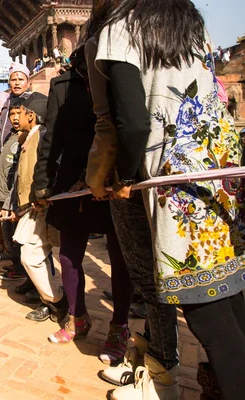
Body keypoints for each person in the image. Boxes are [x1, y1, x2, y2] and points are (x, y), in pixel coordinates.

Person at [88, 1, 245, 399]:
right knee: (233, 299)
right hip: (220, 168)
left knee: (207, 315)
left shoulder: (121, 26)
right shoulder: (188, 20)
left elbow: (132, 120)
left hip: (178, 182)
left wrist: (122, 177)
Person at [32, 46, 133, 364]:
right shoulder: (62, 85)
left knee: (120, 257)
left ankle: (120, 328)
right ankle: (78, 318)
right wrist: (41, 183)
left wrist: (120, 176)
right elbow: (52, 139)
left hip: (117, 182)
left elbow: (129, 130)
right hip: (73, 185)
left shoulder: (122, 75)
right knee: (68, 255)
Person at [3, 93, 68, 323]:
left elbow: (46, 170)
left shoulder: (40, 136)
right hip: (28, 207)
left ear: (31, 115)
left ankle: (56, 302)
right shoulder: (29, 137)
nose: (16, 117)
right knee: (31, 255)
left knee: (34, 256)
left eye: (20, 113)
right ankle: (52, 300)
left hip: (39, 207)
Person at [0, 96, 30, 282]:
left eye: (18, 113)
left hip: (13, 196)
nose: (15, 118)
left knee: (17, 234)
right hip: (4, 194)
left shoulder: (25, 139)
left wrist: (10, 199)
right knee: (8, 231)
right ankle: (16, 263)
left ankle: (20, 268)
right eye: (12, 114)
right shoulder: (10, 136)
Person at [0, 62, 31, 151]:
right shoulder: (7, 101)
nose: (17, 83)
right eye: (13, 80)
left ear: (28, 83)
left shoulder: (33, 102)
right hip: (3, 149)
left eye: (21, 79)